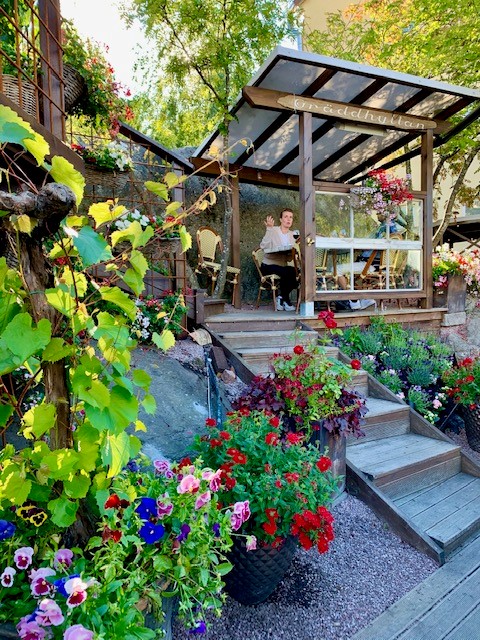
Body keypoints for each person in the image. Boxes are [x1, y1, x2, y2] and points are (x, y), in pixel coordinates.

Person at [260, 209, 298, 311]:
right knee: (288, 272)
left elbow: (289, 257)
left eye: (291, 217)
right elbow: (263, 246)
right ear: (281, 219)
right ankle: (286, 301)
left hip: (282, 266)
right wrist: (269, 229)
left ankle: (281, 298)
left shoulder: (293, 235)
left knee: (297, 272)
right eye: (286, 217)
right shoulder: (273, 230)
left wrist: (294, 253)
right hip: (268, 265)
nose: (288, 219)